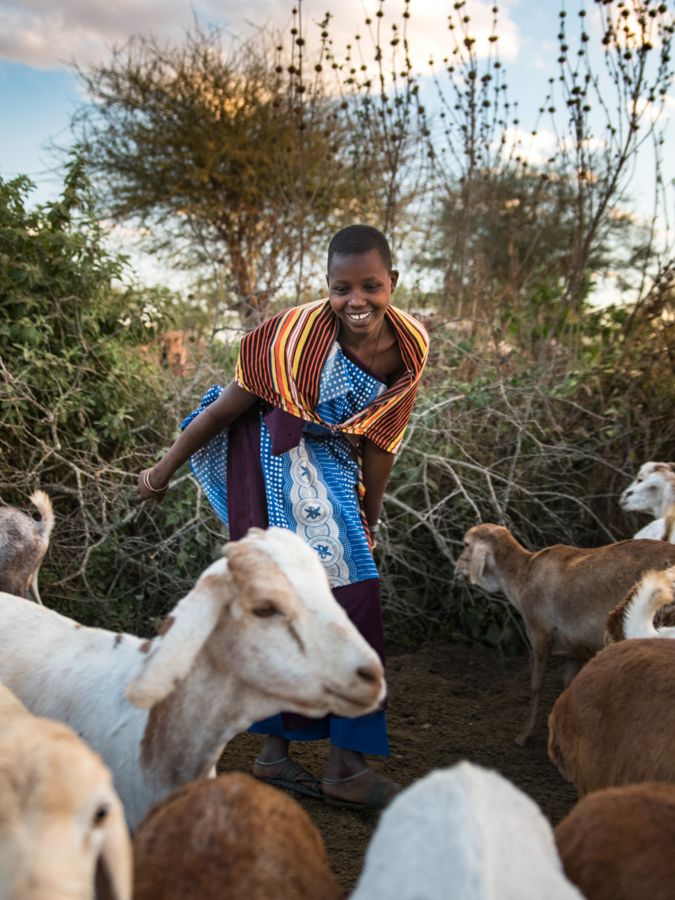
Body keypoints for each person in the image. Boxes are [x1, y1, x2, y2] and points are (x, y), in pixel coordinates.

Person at [138, 224, 429, 809]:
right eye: (342, 287)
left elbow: (381, 441)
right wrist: (164, 469)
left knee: (331, 591)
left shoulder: (410, 346)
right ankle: (338, 765)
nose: (357, 301)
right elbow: (223, 412)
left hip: (328, 459)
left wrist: (369, 516)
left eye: (371, 286)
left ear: (391, 282)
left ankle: (281, 756)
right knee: (340, 595)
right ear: (327, 285)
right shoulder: (293, 338)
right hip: (265, 459)